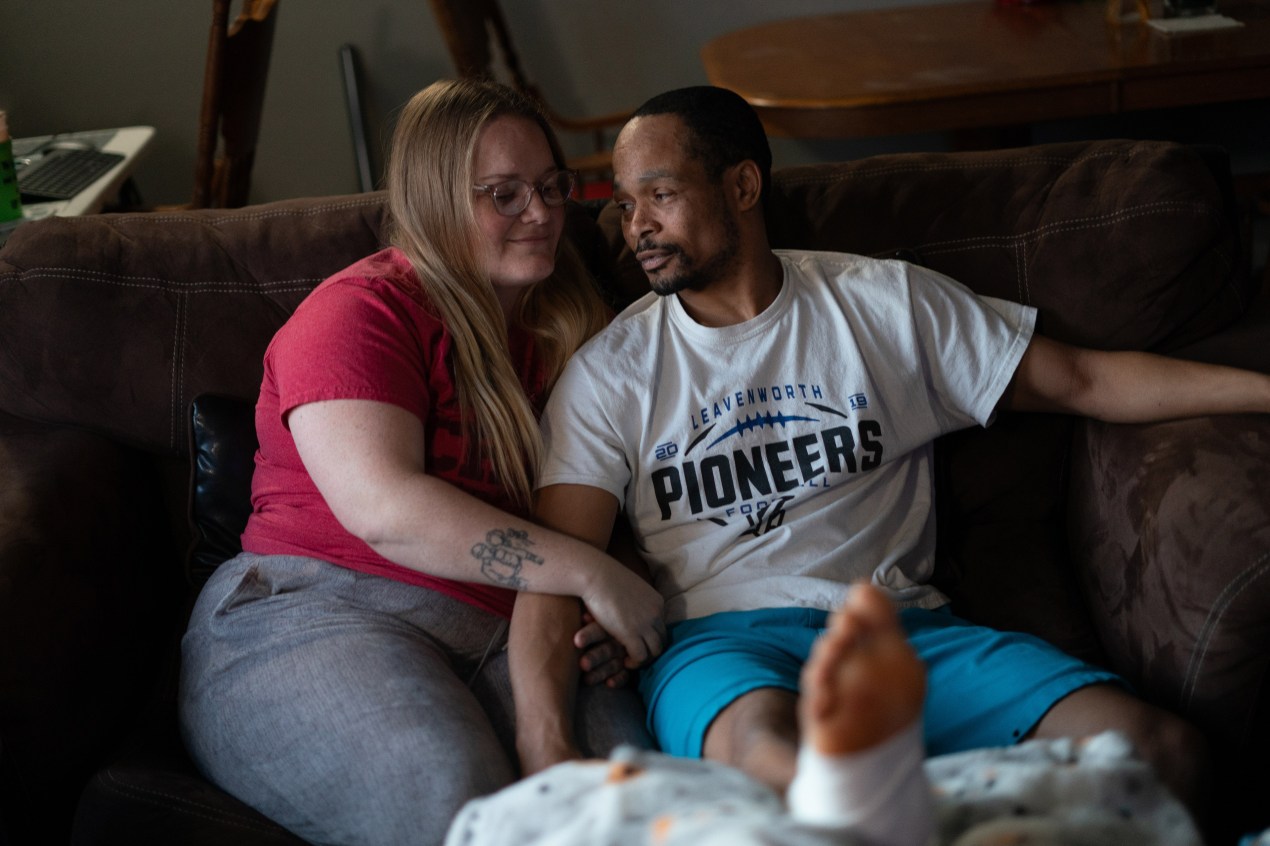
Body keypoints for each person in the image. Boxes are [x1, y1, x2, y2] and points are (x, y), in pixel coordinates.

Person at [515, 85, 1270, 830]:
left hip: (902, 631)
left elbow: (1084, 380)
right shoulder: (611, 372)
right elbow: (552, 567)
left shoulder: (881, 305)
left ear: (741, 186)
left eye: (660, 194)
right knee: (785, 767)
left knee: (1160, 754)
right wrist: (545, 745)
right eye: (623, 202)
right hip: (725, 648)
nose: (634, 226)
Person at [178, 78, 666, 846]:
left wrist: (611, 590)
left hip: (521, 633)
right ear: (437, 196)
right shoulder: (360, 312)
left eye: (549, 186)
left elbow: (616, 495)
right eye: (503, 194)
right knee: (446, 794)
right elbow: (385, 511)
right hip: (319, 610)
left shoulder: (575, 319)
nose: (539, 213)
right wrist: (592, 574)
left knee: (621, 814)